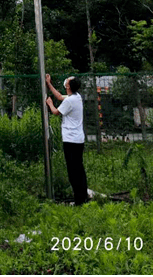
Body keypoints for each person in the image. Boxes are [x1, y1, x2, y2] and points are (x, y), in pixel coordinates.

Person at [46, 74, 88, 206]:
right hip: (78, 139)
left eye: (68, 82)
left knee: (73, 171)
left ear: (68, 86)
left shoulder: (70, 101)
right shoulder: (76, 97)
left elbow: (56, 112)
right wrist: (49, 83)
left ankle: (79, 201)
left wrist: (50, 103)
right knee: (79, 169)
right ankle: (83, 197)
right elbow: (59, 96)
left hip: (71, 140)